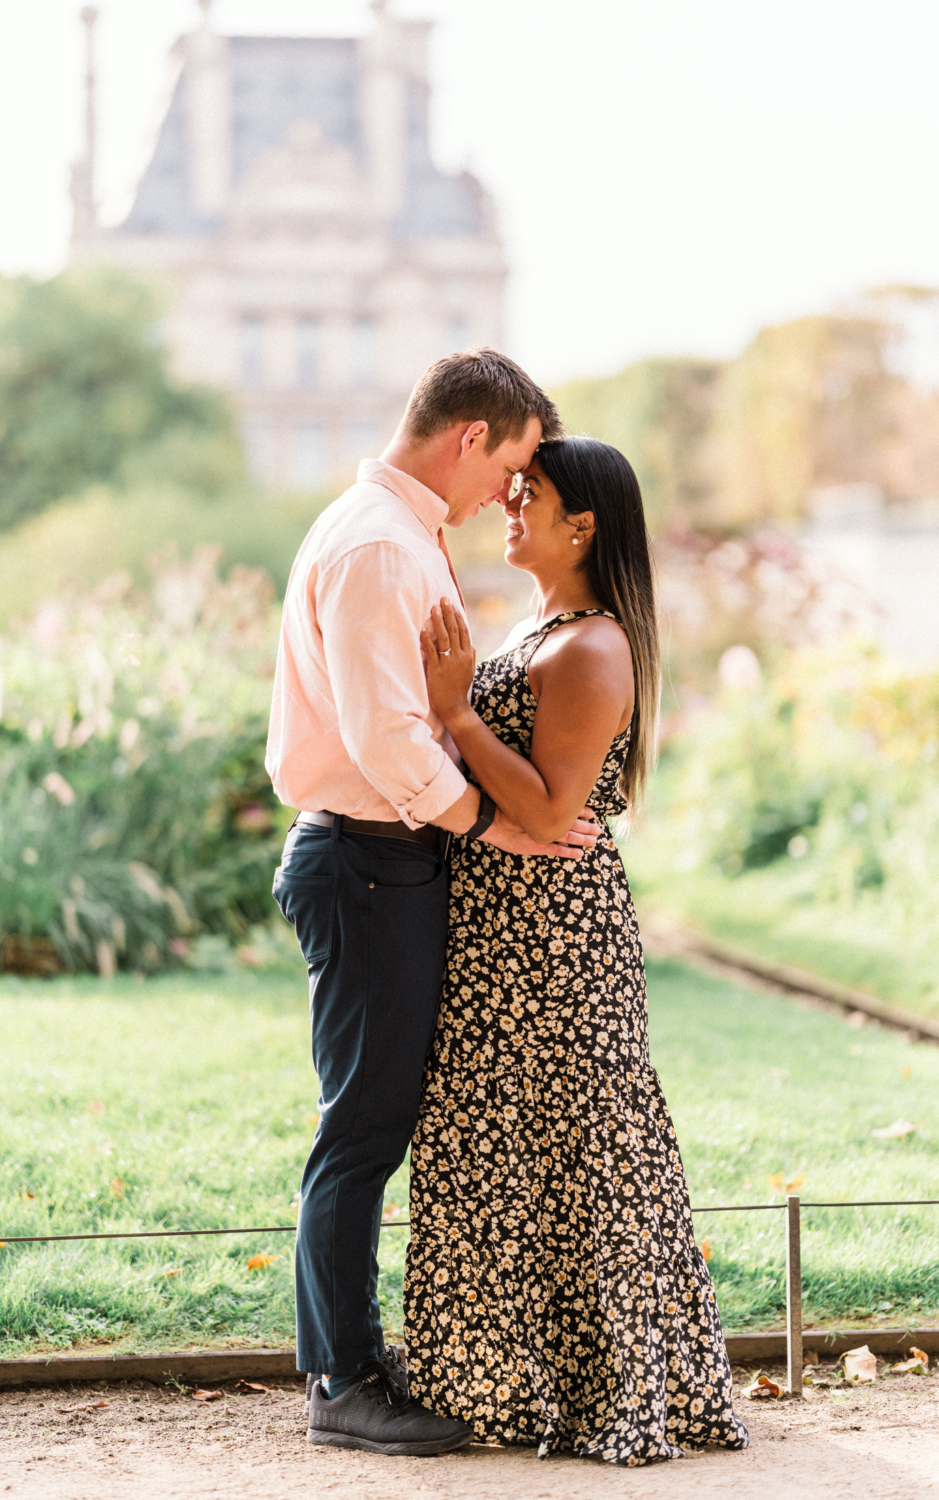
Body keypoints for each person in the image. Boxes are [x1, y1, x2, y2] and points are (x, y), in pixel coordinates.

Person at [267, 350, 599, 1457]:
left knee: (372, 1121)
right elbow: (381, 737)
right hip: (366, 857)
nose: (509, 490)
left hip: (382, 860)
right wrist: (494, 825)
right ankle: (341, 1381)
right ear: (470, 437)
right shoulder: (375, 545)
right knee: (360, 1129)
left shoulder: (396, 536)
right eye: (510, 464)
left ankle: (352, 1356)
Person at [404, 436, 750, 1466]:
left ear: (582, 524)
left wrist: (458, 714)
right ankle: (508, 1388)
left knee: (575, 1157)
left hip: (556, 942)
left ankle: (610, 1394)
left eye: (531, 497)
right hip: (502, 930)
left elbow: (555, 804)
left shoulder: (593, 647)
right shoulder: (543, 627)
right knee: (498, 1150)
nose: (509, 509)